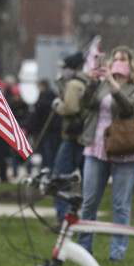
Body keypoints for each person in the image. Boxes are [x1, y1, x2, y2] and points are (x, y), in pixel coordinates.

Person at [77, 45, 134, 261]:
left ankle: (117, 254)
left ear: (131, 64)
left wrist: (113, 83)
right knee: (89, 201)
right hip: (96, 148)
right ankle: (84, 249)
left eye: (122, 59)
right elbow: (84, 104)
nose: (117, 62)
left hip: (125, 150)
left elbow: (128, 109)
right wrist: (92, 82)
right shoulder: (101, 84)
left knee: (120, 205)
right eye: (114, 58)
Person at [50, 51, 89, 223]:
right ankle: (86, 218)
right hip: (85, 137)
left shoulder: (73, 84)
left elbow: (71, 108)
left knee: (58, 179)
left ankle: (63, 218)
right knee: (87, 182)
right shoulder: (86, 81)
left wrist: (58, 105)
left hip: (73, 138)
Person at [29, 79, 62, 170]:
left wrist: (34, 129)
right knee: (52, 151)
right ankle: (51, 168)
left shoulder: (42, 99)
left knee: (46, 152)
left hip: (45, 130)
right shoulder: (54, 98)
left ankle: (46, 168)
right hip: (54, 130)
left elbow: (36, 116)